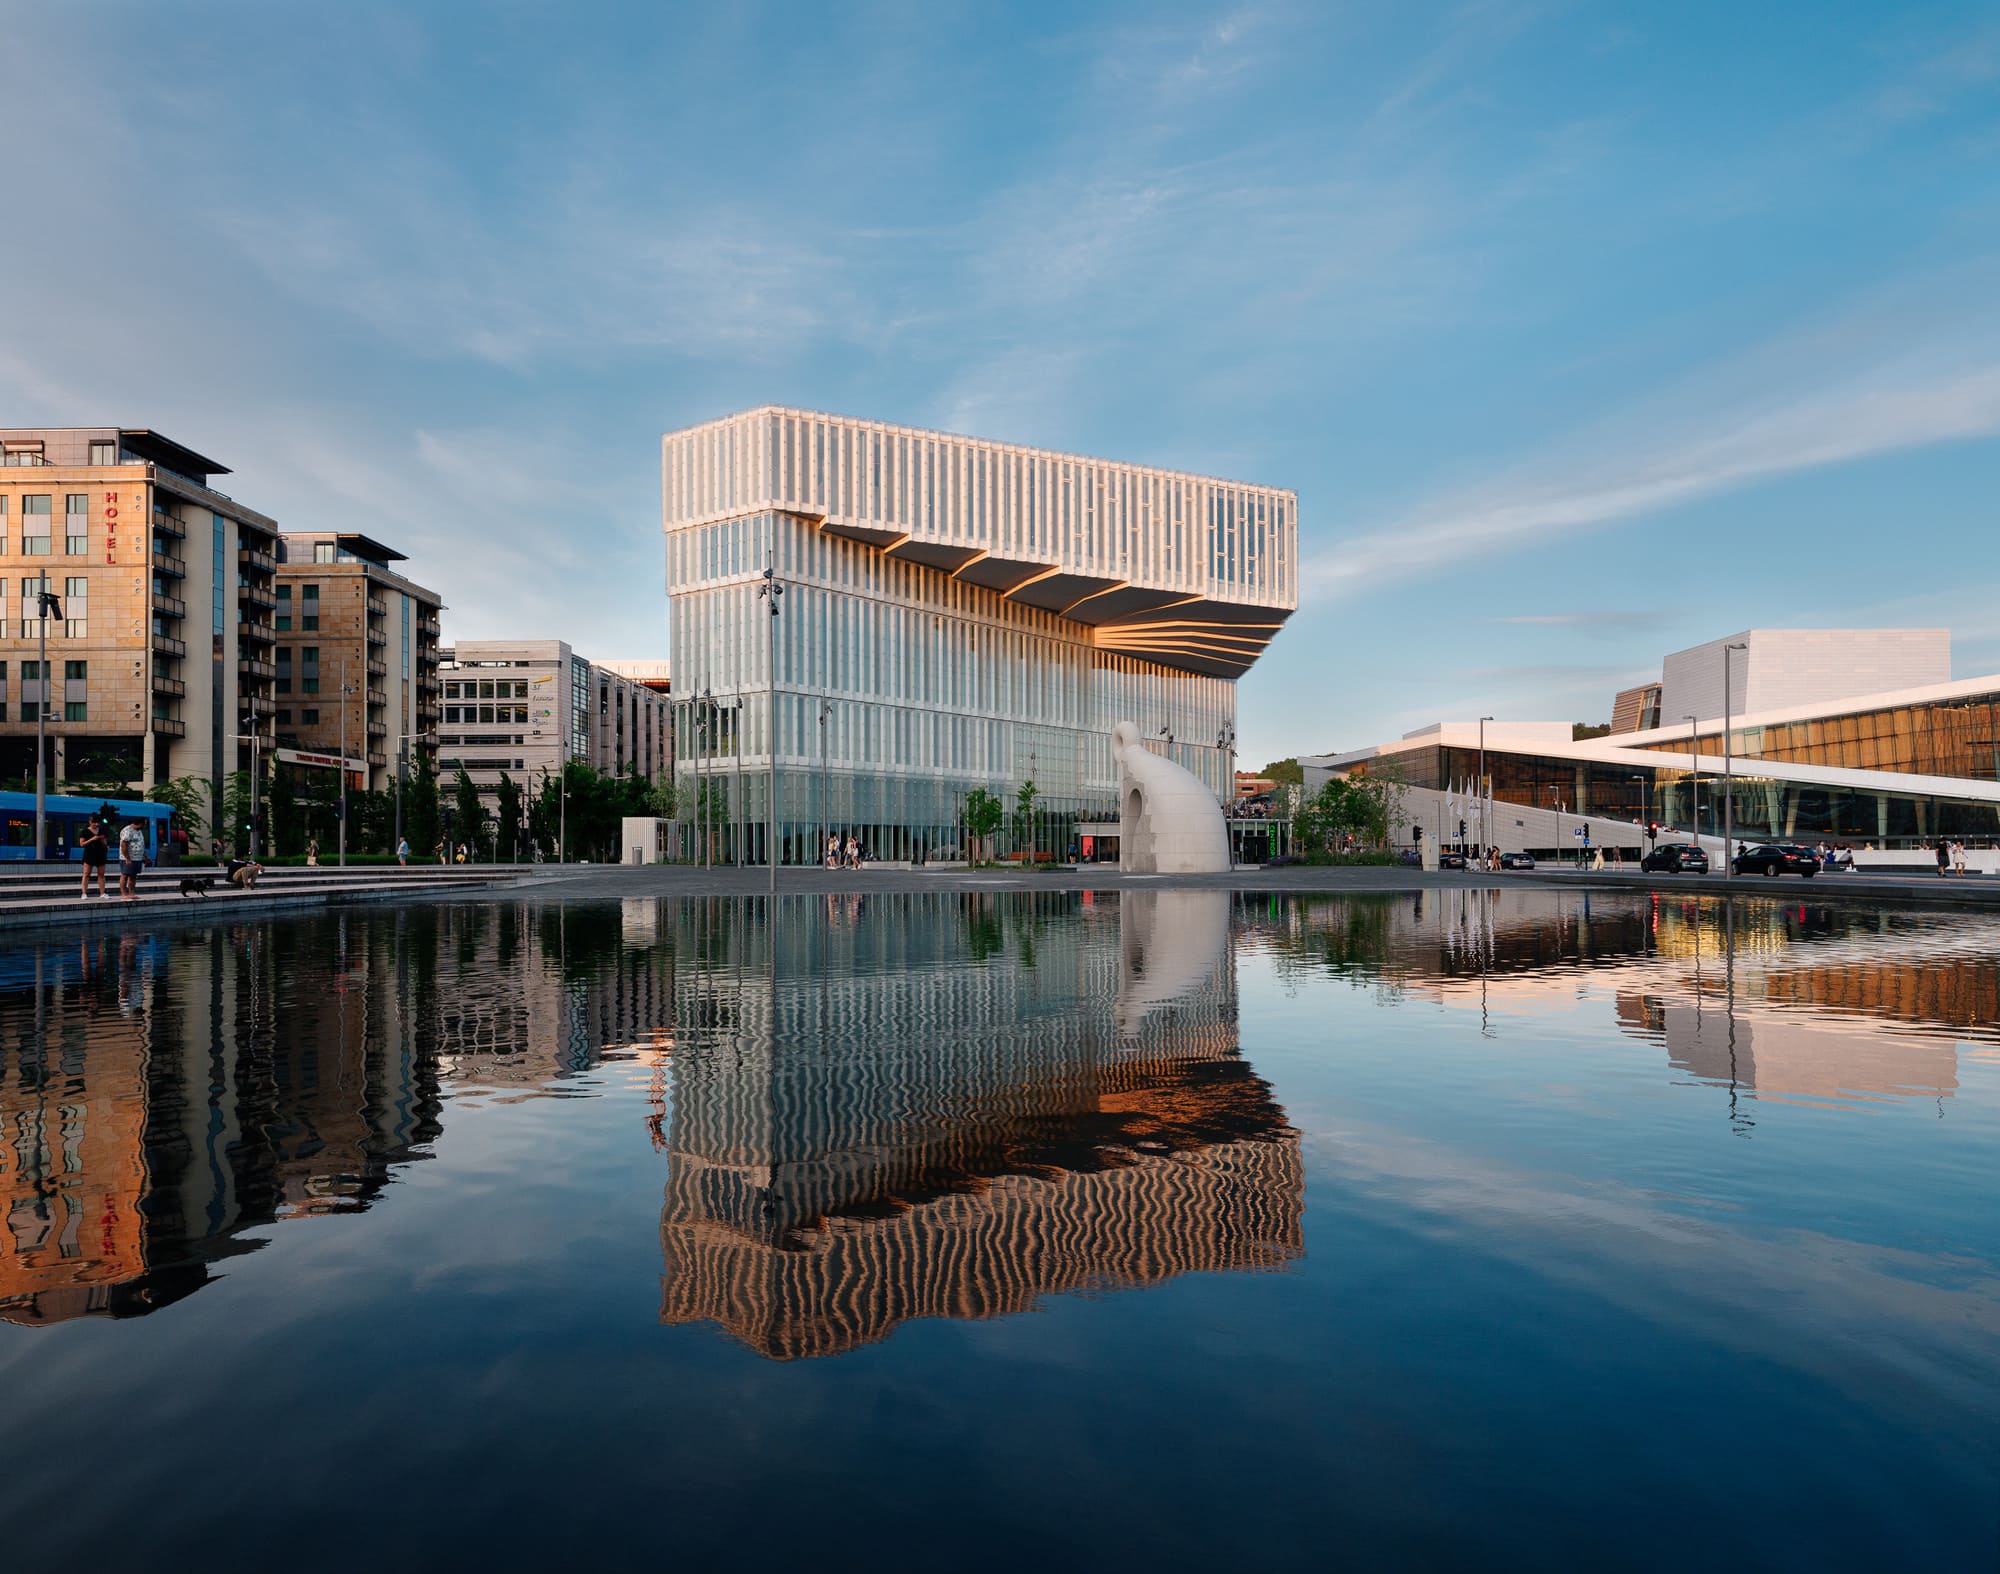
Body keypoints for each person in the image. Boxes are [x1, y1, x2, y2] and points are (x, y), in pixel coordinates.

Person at [78, 814, 110, 899]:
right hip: (89, 853)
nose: (96, 824)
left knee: (101, 874)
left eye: (97, 823)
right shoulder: (84, 831)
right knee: (86, 874)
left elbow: (105, 843)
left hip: (100, 853)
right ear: (90, 822)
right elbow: (82, 844)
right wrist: (92, 839)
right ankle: (84, 893)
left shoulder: (102, 830)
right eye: (94, 823)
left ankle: (102, 893)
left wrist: (103, 840)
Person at [117, 817, 148, 903]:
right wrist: (127, 858)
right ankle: (124, 894)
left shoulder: (139, 831)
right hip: (128, 858)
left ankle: (132, 894)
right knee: (125, 875)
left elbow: (141, 844)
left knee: (133, 875)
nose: (145, 826)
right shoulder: (127, 831)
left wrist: (145, 856)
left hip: (137, 858)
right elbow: (124, 845)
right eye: (144, 824)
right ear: (140, 823)